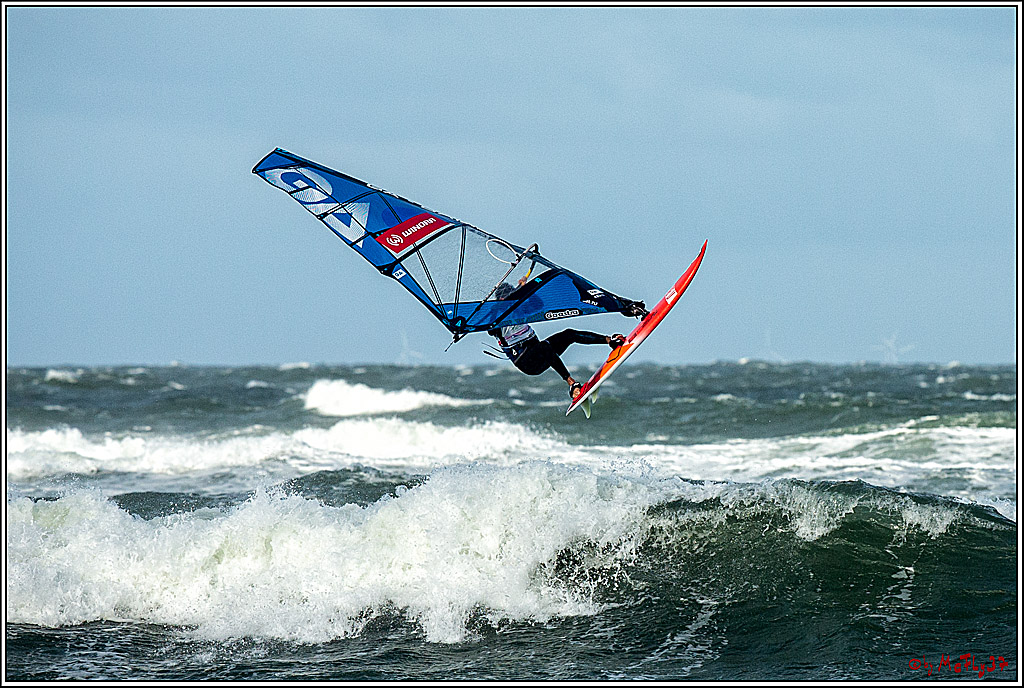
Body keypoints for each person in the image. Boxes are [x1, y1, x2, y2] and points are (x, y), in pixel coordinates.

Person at [488, 279, 640, 400]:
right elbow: (490, 329)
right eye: (506, 297)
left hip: (540, 352)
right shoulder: (496, 316)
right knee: (544, 347)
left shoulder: (521, 308)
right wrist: (516, 293)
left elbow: (537, 304)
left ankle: (610, 341)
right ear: (501, 299)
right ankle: (572, 384)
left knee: (569, 334)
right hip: (526, 361)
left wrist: (526, 290)